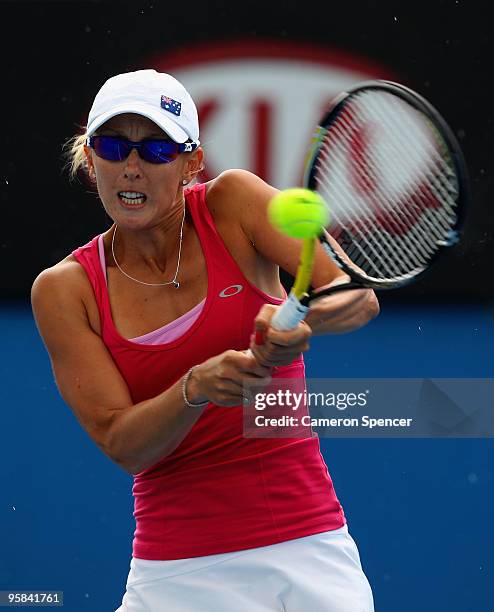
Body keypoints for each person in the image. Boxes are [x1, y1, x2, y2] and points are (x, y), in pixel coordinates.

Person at [31, 69, 379, 612]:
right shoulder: (64, 290)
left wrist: (305, 326)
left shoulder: (233, 203)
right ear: (89, 158)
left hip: (306, 551)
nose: (131, 166)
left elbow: (355, 295)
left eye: (155, 150)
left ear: (193, 162)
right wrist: (194, 388)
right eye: (113, 145)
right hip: (173, 575)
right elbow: (123, 444)